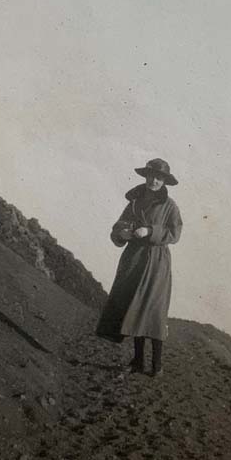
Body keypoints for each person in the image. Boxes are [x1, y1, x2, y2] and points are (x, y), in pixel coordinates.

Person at [95, 158, 183, 377]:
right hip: (134, 259)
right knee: (134, 307)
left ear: (165, 182)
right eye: (151, 176)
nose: (154, 181)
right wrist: (122, 233)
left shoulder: (170, 206)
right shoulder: (134, 202)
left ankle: (157, 365)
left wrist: (151, 231)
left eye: (159, 178)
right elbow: (119, 225)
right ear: (145, 176)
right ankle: (137, 361)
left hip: (156, 261)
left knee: (153, 310)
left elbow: (175, 233)